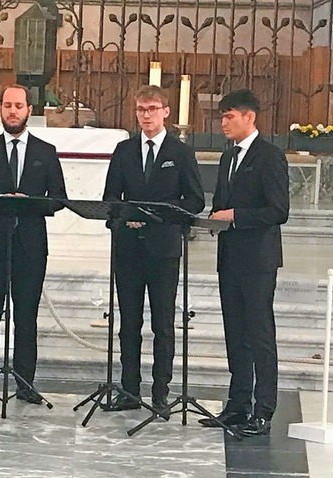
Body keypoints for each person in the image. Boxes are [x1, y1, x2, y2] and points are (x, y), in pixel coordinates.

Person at [103, 85, 205, 415]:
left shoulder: (181, 152)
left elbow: (195, 200)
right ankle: (129, 390)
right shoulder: (124, 150)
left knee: (163, 324)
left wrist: (160, 215)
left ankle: (161, 391)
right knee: (128, 323)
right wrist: (123, 218)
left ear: (166, 112)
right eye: (141, 109)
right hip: (129, 248)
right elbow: (110, 198)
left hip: (163, 248)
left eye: (152, 109)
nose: (146, 115)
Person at [0, 84, 67, 403]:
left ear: (29, 111)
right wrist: (0, 199)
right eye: (7, 105)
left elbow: (59, 198)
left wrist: (29, 202)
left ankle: (25, 382)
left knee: (26, 316)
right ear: (0, 110)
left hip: (30, 244)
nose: (12, 111)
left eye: (18, 106)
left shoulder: (45, 152)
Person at [199, 89, 289, 436]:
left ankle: (263, 409)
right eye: (221, 116)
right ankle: (238, 405)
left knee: (259, 334)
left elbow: (278, 210)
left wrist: (234, 215)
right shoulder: (228, 157)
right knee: (235, 334)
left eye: (229, 116)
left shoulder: (269, 156)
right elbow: (221, 203)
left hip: (257, 260)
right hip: (230, 257)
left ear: (249, 117)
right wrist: (212, 219)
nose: (223, 123)